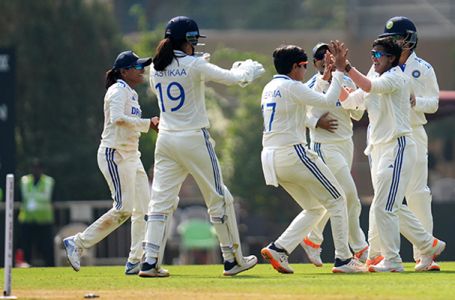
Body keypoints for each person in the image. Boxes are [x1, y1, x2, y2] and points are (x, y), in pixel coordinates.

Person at [140, 16, 265, 277]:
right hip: (193, 139)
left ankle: (150, 260)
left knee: (160, 203)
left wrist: (198, 68)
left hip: (166, 140)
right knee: (220, 198)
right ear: (189, 41)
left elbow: (177, 79)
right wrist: (250, 69)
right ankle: (232, 259)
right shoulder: (194, 64)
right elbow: (232, 79)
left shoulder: (155, 67)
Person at [332, 37, 445, 272]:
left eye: (378, 54)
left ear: (392, 58)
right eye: (372, 53)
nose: (373, 58)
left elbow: (369, 87)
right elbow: (352, 102)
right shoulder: (374, 77)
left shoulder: (396, 78)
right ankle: (428, 243)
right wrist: (334, 75)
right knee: (386, 204)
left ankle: (392, 260)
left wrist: (347, 67)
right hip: (380, 148)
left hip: (399, 146)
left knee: (385, 206)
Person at [259, 44, 368, 274]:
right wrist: (339, 71)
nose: (307, 71)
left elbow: (307, 101)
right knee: (338, 199)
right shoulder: (293, 86)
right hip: (293, 153)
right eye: (305, 66)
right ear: (295, 66)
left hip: (270, 159)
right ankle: (344, 259)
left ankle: (280, 248)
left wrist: (326, 77)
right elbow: (328, 102)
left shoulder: (271, 86)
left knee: (316, 207)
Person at [63, 50, 159, 275]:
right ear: (123, 72)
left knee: (143, 209)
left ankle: (135, 261)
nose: (141, 70)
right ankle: (77, 243)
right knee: (123, 209)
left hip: (131, 155)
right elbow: (116, 119)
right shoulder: (117, 90)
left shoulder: (131, 94)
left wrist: (147, 124)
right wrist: (148, 124)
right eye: (137, 67)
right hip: (114, 155)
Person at [368, 16, 440, 271]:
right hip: (382, 137)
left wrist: (415, 102)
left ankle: (424, 255)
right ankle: (376, 252)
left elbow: (434, 102)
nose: (393, 42)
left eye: (397, 37)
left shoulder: (422, 68)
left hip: (413, 133)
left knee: (417, 194)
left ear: (409, 39)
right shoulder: (377, 65)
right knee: (384, 197)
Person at [300, 42, 369, 267]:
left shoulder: (345, 80)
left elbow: (357, 114)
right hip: (324, 147)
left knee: (333, 200)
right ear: (314, 63)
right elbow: (298, 114)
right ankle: (360, 248)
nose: (325, 58)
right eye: (320, 56)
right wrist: (315, 121)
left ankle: (313, 238)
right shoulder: (312, 84)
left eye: (328, 54)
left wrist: (349, 98)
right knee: (349, 196)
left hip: (345, 145)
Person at [18, 158, 55, 267]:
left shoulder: (49, 182)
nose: (35, 170)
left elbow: (53, 200)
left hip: (44, 220)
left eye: (37, 168)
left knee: (46, 247)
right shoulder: (24, 181)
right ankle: (26, 265)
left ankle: (50, 267)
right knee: (26, 247)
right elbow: (20, 198)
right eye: (33, 168)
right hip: (27, 219)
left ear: (41, 169)